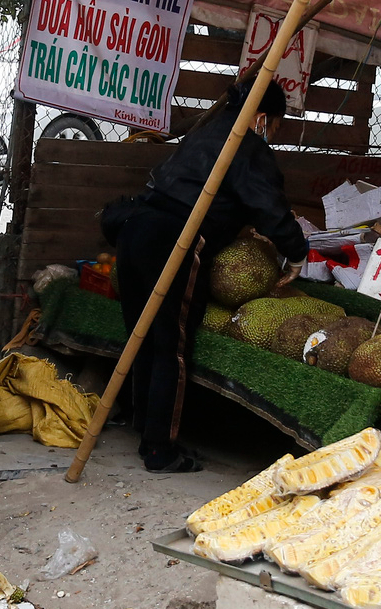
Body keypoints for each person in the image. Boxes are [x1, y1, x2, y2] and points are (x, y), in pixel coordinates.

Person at [108, 80, 308, 472]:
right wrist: (297, 251)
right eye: (277, 126)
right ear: (263, 118)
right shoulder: (244, 144)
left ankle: (146, 434)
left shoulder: (206, 133)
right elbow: (268, 204)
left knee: (143, 337)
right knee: (171, 346)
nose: (273, 135)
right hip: (174, 242)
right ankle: (160, 451)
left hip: (136, 231)